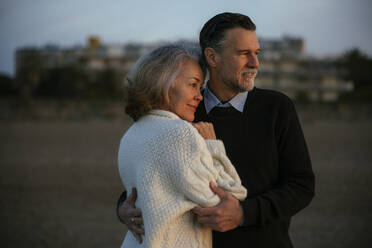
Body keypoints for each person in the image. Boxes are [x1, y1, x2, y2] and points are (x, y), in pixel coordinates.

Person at [118, 12, 315, 248]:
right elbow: (151, 179)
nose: (255, 63)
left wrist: (244, 213)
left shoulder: (277, 108)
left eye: (256, 53)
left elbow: (301, 185)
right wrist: (122, 208)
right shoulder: (184, 112)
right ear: (212, 56)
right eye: (244, 54)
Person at [117, 43, 247, 248]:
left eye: (200, 87)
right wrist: (213, 145)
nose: (199, 96)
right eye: (193, 84)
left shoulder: (131, 134)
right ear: (165, 82)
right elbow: (230, 196)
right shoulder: (180, 133)